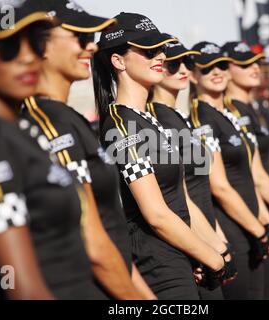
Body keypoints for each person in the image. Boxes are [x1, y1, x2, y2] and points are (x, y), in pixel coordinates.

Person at [0, 0, 103, 299]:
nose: (28, 57)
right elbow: (17, 285)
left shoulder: (19, 131)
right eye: (9, 46)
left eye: (36, 44)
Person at [93, 13, 234, 299]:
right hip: (159, 268)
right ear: (118, 61)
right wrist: (212, 258)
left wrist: (216, 250)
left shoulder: (147, 118)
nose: (159, 56)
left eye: (159, 48)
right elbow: (156, 214)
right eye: (147, 50)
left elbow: (181, 200)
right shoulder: (121, 124)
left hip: (184, 259)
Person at [20, 0, 149, 300]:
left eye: (91, 38)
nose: (91, 47)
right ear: (42, 46)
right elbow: (92, 244)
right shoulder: (48, 121)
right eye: (80, 37)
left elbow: (111, 232)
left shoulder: (68, 118)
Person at [189, 41, 269, 300]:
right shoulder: (201, 117)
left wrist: (267, 222)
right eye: (207, 68)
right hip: (234, 230)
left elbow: (254, 175)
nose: (216, 72)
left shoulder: (230, 114)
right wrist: (258, 229)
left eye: (222, 65)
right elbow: (220, 187)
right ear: (193, 75)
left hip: (253, 224)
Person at [149, 39, 233, 299]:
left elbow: (200, 189)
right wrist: (211, 249)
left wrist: (220, 241)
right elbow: (177, 199)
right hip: (193, 247)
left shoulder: (177, 117)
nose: (183, 68)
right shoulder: (157, 119)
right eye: (173, 64)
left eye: (187, 62)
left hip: (209, 238)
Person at [222, 41, 269, 299]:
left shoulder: (251, 108)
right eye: (245, 63)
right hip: (254, 215)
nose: (254, 68)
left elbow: (264, 164)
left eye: (255, 62)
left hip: (268, 208)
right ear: (228, 69)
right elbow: (249, 176)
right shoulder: (230, 113)